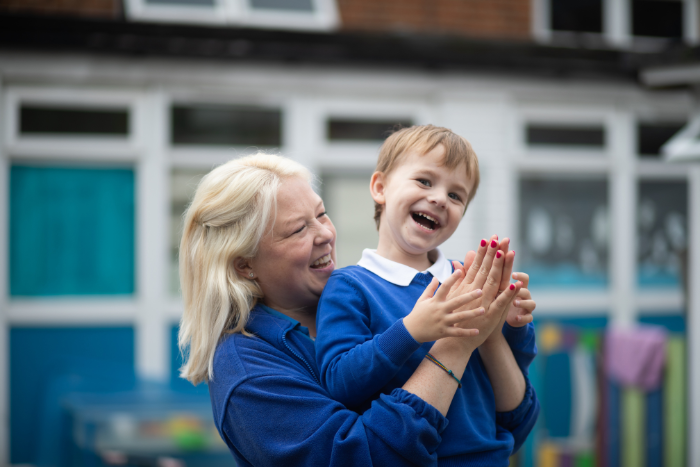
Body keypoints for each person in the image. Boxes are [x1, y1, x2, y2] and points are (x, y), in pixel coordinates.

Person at [177, 152, 520, 466]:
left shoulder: (369, 300)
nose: (324, 234)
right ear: (244, 265)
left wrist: (494, 329)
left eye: (322, 214)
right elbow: (366, 457)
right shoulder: (247, 373)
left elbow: (510, 426)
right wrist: (457, 345)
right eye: (298, 229)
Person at [315, 125, 540, 466]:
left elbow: (516, 403)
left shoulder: (466, 278)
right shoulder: (349, 286)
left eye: (456, 195)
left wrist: (509, 324)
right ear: (380, 187)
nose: (439, 198)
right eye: (424, 181)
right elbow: (339, 383)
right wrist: (412, 330)